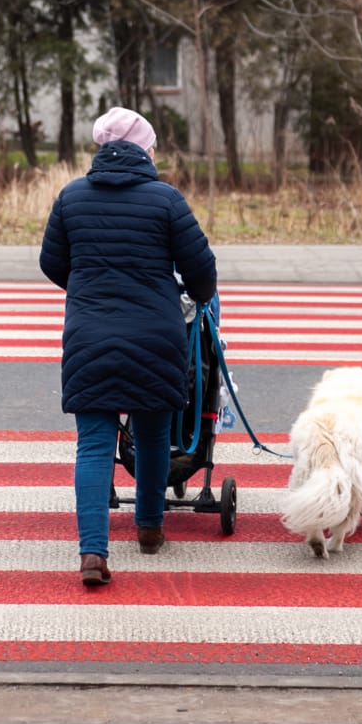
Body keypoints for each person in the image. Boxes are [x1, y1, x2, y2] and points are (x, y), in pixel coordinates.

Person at [39, 106, 217, 587]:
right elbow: (201, 270)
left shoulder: (71, 197)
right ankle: (149, 530)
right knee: (155, 434)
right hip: (155, 336)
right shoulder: (166, 200)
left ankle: (93, 553)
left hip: (88, 335)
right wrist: (194, 296)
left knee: (94, 446)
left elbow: (51, 262)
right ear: (142, 150)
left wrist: (87, 289)